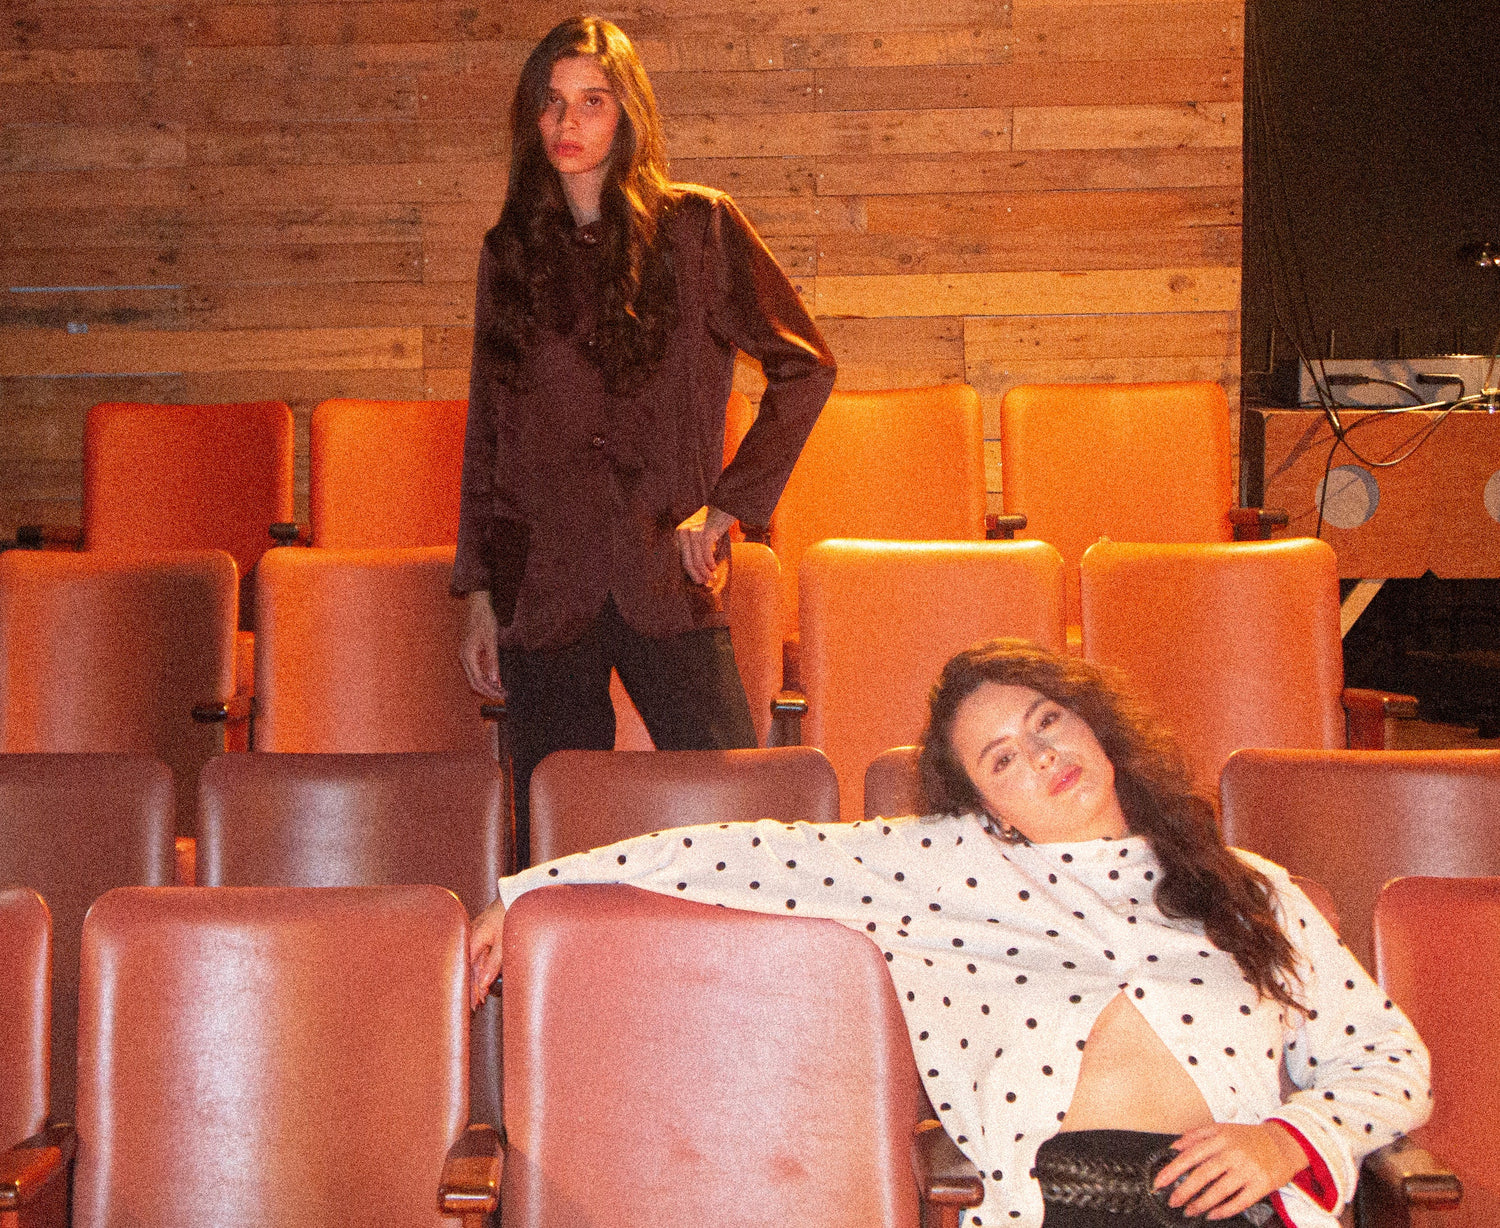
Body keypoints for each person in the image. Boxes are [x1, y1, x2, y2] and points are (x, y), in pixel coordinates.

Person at [467, 640, 1431, 1227]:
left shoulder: (1249, 886)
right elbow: (748, 851)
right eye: (1002, 760)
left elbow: (1390, 1061)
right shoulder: (942, 868)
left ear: (1096, 725)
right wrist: (538, 888)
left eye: (1049, 722)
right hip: (1055, 1204)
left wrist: (1287, 1139)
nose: (1042, 757)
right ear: (985, 808)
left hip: (1239, 1201)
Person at [451, 16, 836, 864]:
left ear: (628, 115)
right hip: (540, 584)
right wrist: (479, 591)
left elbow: (805, 367)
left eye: (592, 101)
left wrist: (729, 507)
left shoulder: (700, 229)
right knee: (550, 845)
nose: (568, 122)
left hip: (666, 569)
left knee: (743, 826)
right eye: (552, 103)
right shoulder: (508, 253)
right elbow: (490, 428)